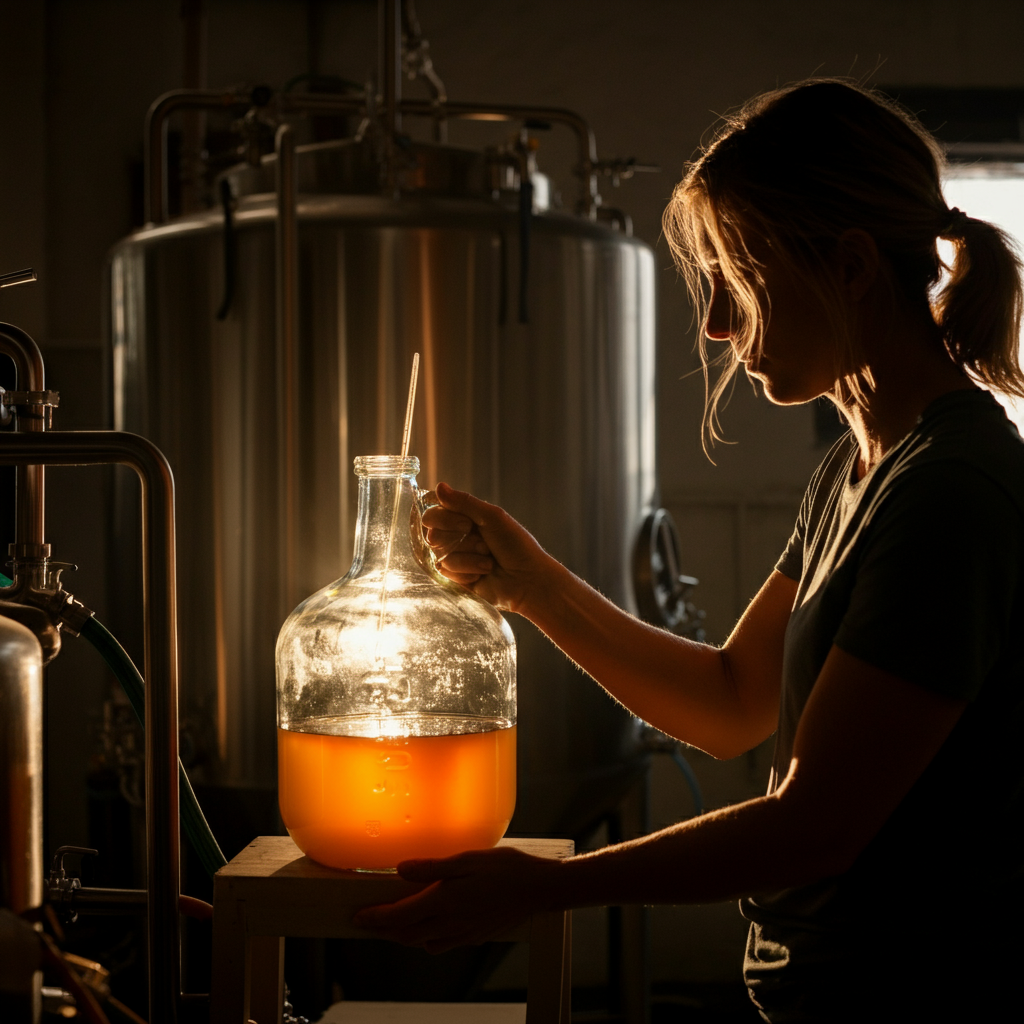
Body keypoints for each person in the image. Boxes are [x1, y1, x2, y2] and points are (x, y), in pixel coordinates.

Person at [354, 79, 1024, 1021]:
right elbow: (729, 705)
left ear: (853, 265)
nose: (714, 323)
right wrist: (533, 586)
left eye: (738, 278)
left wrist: (545, 889)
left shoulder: (954, 490)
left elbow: (816, 828)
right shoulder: (856, 471)